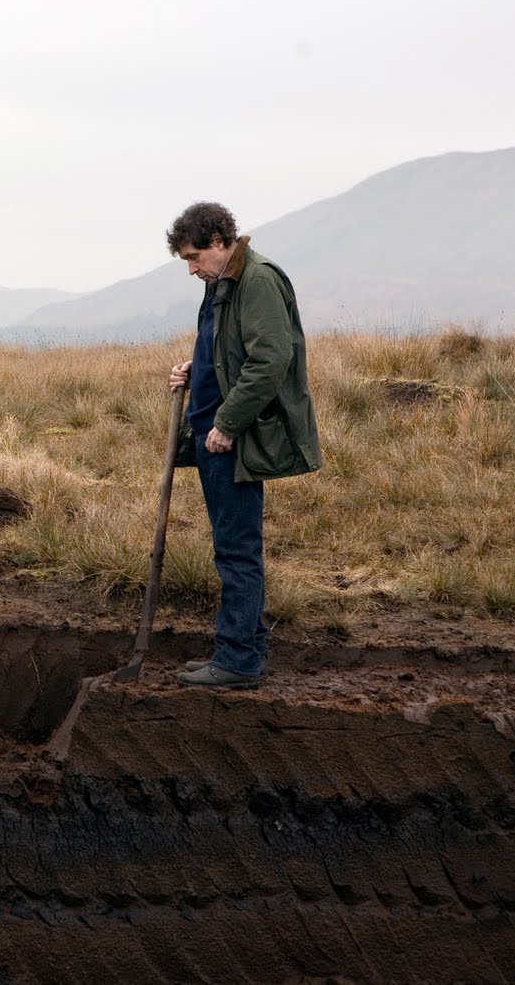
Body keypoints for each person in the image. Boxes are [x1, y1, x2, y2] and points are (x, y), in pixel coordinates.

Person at [164, 203, 321, 690]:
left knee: (237, 552)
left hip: (231, 440)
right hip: (211, 435)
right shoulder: (222, 282)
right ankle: (243, 650)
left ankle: (237, 661)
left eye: (193, 257)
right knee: (231, 548)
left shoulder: (257, 280)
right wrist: (194, 369)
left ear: (217, 241)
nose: (191, 269)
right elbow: (229, 348)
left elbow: (269, 361)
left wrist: (228, 424)